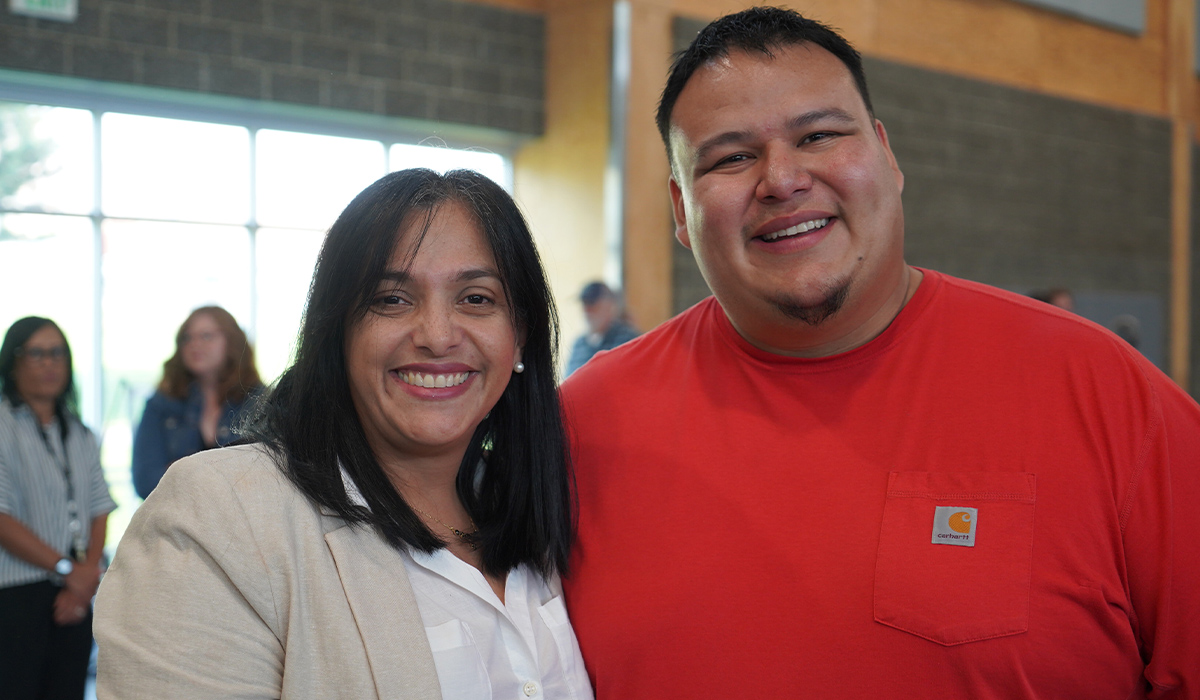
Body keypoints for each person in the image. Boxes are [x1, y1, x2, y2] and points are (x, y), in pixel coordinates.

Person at [560, 7, 1200, 699]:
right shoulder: (581, 429)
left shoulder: (1103, 393)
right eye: (732, 157)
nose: (782, 178)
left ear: (888, 157)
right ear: (681, 209)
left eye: (820, 135)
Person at [95, 169, 591, 700]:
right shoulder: (223, 516)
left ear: (520, 338)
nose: (438, 336)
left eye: (476, 298)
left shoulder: (545, 510)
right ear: (338, 332)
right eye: (392, 299)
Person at [0, 317, 117, 700]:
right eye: (36, 353)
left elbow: (100, 507)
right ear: (12, 362)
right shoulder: (3, 425)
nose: (49, 363)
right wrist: (68, 570)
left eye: (57, 353)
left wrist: (84, 581)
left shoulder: (79, 431)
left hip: (75, 592)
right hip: (16, 593)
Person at [131, 305, 263, 499]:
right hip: (176, 525)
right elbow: (147, 483)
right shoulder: (160, 405)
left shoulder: (260, 403)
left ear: (232, 342)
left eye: (206, 336)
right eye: (187, 337)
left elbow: (263, 483)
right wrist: (225, 476)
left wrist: (179, 471)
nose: (195, 344)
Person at [564, 281, 640, 376]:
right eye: (584, 303)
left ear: (610, 305)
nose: (586, 310)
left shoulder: (628, 340)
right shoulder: (579, 344)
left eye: (592, 303)